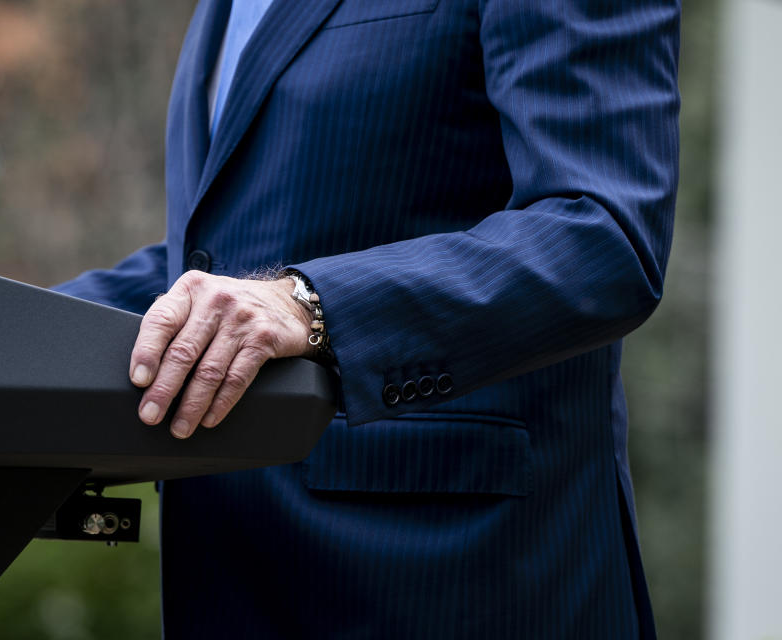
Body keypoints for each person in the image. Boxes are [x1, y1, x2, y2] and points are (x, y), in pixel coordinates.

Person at [54, 0, 680, 637]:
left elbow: (603, 239)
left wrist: (312, 302)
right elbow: (222, 264)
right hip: (227, 574)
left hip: (453, 579)